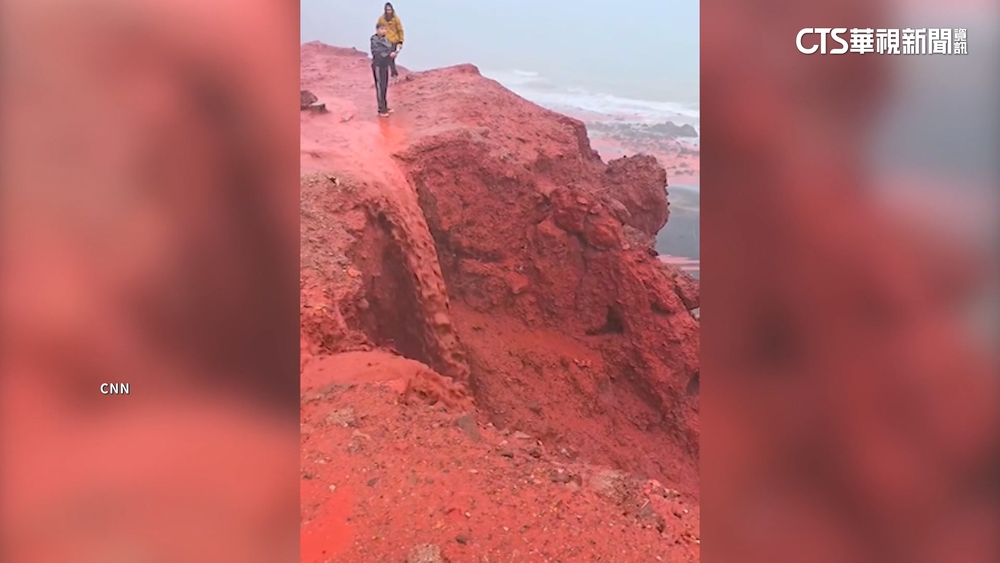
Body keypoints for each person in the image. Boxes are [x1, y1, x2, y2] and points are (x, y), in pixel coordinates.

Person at [370, 22, 396, 117]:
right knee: (380, 87)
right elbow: (376, 52)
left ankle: (385, 106)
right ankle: (381, 109)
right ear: (377, 30)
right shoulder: (374, 39)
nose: (383, 31)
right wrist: (388, 54)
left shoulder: (386, 40)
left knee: (384, 87)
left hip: (385, 65)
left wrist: (393, 54)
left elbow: (390, 49)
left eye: (384, 29)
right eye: (381, 29)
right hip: (378, 65)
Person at [377, 3, 404, 82]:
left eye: (390, 10)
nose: (388, 12)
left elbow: (400, 30)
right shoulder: (381, 19)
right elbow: (379, 29)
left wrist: (401, 41)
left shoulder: (396, 19)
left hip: (393, 41)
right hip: (384, 42)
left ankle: (394, 74)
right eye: (387, 10)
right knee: (385, 59)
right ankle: (389, 75)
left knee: (390, 58)